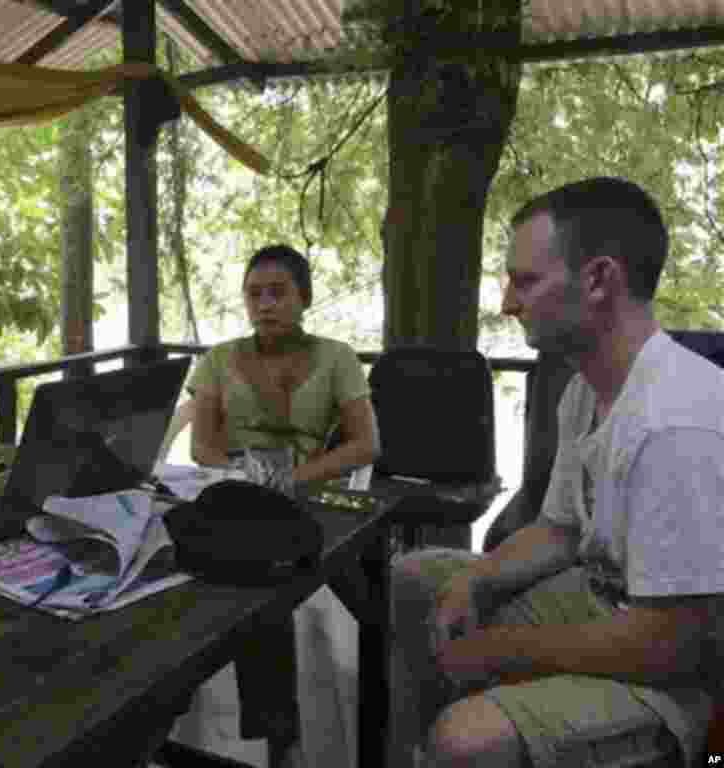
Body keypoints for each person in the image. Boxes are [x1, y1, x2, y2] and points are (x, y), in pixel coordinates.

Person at [389, 177, 723, 768]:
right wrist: (478, 580)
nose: (507, 304)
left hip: (686, 677)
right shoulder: (583, 388)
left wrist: (502, 651)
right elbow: (560, 530)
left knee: (464, 742)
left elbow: (673, 643)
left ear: (599, 280)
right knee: (418, 576)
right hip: (608, 608)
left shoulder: (677, 424)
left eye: (525, 281)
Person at [187, 243, 380, 767]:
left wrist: (291, 480)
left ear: (304, 297)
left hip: (308, 496)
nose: (265, 304)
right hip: (236, 494)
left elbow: (365, 445)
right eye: (254, 294)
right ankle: (253, 731)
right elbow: (201, 446)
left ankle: (283, 735)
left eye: (278, 292)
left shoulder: (336, 357)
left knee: (265, 577)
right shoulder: (218, 360)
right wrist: (241, 474)